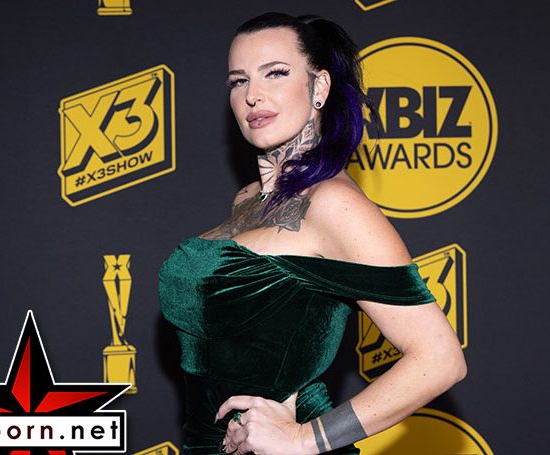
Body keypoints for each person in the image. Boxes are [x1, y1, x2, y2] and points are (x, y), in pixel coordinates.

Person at [159, 12, 467, 455]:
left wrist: (304, 438)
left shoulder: (334, 204)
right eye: (238, 81)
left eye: (275, 73)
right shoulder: (249, 199)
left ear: (319, 87)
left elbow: (440, 359)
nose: (252, 95)